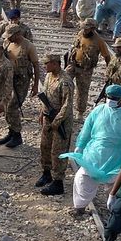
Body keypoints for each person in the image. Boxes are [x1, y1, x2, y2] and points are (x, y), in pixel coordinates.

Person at [66, 85, 121, 217]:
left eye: (114, 98)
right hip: (95, 152)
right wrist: (80, 145)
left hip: (116, 155)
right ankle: (80, 207)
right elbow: (87, 128)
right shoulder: (98, 110)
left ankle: (115, 210)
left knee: (115, 183)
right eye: (109, 97)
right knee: (82, 178)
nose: (111, 100)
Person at [36, 53, 76, 196]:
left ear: (55, 63)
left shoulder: (65, 81)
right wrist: (42, 112)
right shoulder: (48, 77)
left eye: (46, 63)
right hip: (48, 119)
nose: (44, 66)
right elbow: (46, 97)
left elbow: (67, 105)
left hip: (60, 122)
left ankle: (58, 182)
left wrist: (57, 121)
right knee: (45, 147)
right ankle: (46, 173)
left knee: (58, 151)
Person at [67, 18, 112, 115]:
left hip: (85, 70)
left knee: (82, 91)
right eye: (83, 28)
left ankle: (80, 112)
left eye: (86, 29)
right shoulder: (80, 33)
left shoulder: (99, 41)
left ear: (93, 29)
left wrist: (109, 71)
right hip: (73, 65)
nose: (84, 30)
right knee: (63, 82)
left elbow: (107, 57)